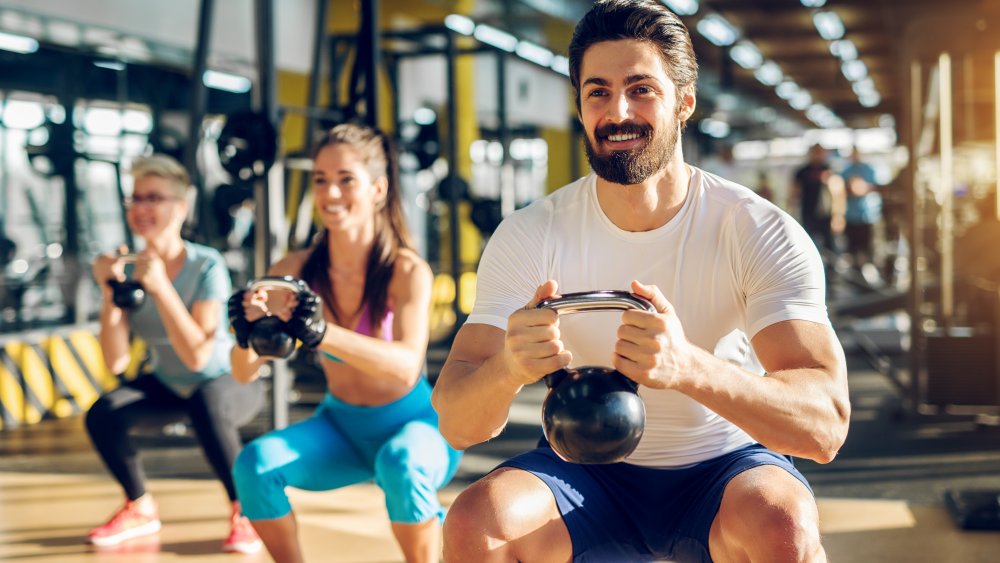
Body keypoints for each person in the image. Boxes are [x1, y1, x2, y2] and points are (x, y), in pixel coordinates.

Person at [431, 1, 850, 562]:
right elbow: (458, 423)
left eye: (641, 88)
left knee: (785, 524)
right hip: (583, 476)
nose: (617, 111)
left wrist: (688, 367)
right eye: (598, 91)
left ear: (685, 101)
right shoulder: (531, 233)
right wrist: (509, 367)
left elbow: (824, 427)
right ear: (579, 107)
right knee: (475, 522)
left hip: (723, 474)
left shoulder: (754, 229)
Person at [229, 123, 462, 563]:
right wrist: (247, 336)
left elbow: (406, 367)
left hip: (416, 427)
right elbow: (242, 372)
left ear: (377, 189)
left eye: (345, 180)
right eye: (320, 180)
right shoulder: (293, 270)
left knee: (401, 465)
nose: (330, 194)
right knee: (254, 465)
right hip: (340, 428)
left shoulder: (406, 271)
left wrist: (321, 332)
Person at [86, 154, 265, 553]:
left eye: (154, 198)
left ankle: (247, 512)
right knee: (104, 413)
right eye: (135, 199)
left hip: (230, 382)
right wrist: (108, 291)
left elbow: (200, 358)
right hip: (170, 384)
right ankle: (140, 507)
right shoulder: (129, 269)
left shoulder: (206, 265)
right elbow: (115, 361)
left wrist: (162, 288)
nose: (142, 208)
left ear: (180, 208)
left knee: (207, 400)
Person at [839, 147, 883, 283]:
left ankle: (872, 276)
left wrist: (863, 188)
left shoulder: (869, 170)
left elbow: (876, 187)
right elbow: (840, 192)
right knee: (853, 249)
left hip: (868, 216)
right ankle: (856, 278)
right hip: (851, 216)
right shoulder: (845, 172)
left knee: (869, 248)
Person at [793, 143, 838, 255]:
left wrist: (838, 215)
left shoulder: (829, 170)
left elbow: (838, 193)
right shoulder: (802, 172)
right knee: (809, 243)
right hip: (808, 213)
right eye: (815, 152)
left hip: (827, 215)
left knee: (830, 244)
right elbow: (794, 191)